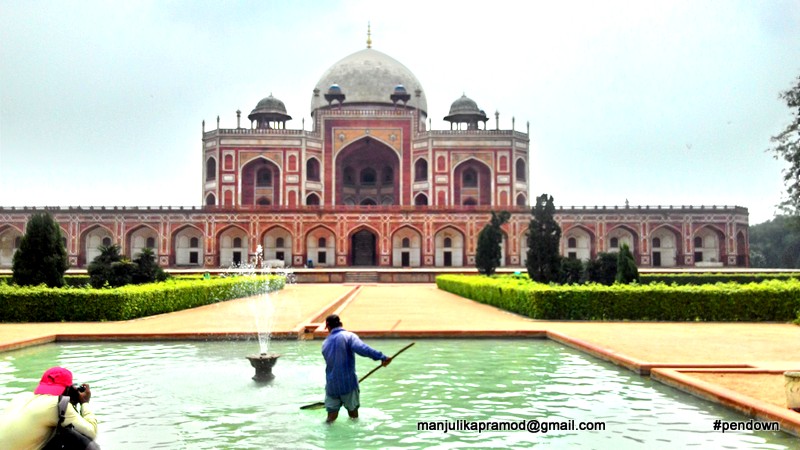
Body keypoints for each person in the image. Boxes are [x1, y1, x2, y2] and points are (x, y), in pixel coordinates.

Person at [0, 366, 98, 449]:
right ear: (68, 389)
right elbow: (91, 432)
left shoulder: (21, 397)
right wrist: (84, 402)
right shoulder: (57, 404)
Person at [321, 314, 391, 423]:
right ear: (340, 324)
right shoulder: (348, 336)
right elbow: (363, 349)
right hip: (348, 385)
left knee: (331, 418)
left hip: (332, 387)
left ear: (328, 327)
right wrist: (381, 357)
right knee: (353, 416)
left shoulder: (325, 343)